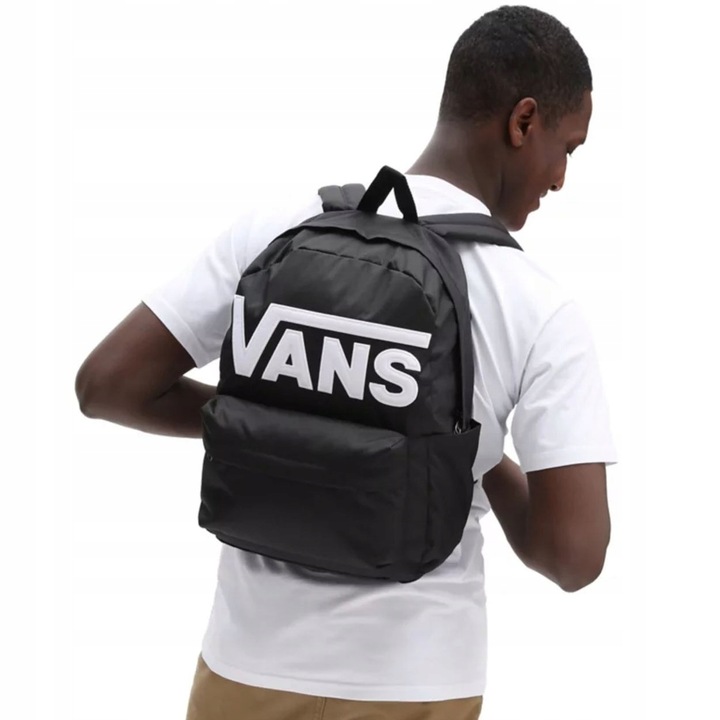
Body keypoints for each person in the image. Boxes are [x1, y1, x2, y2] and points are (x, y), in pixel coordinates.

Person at [75, 5, 616, 719]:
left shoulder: (281, 227)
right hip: (417, 686)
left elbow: (108, 386)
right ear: (523, 121)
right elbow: (573, 556)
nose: (562, 178)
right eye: (567, 148)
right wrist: (468, 451)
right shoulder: (537, 306)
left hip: (244, 673)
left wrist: (279, 417)